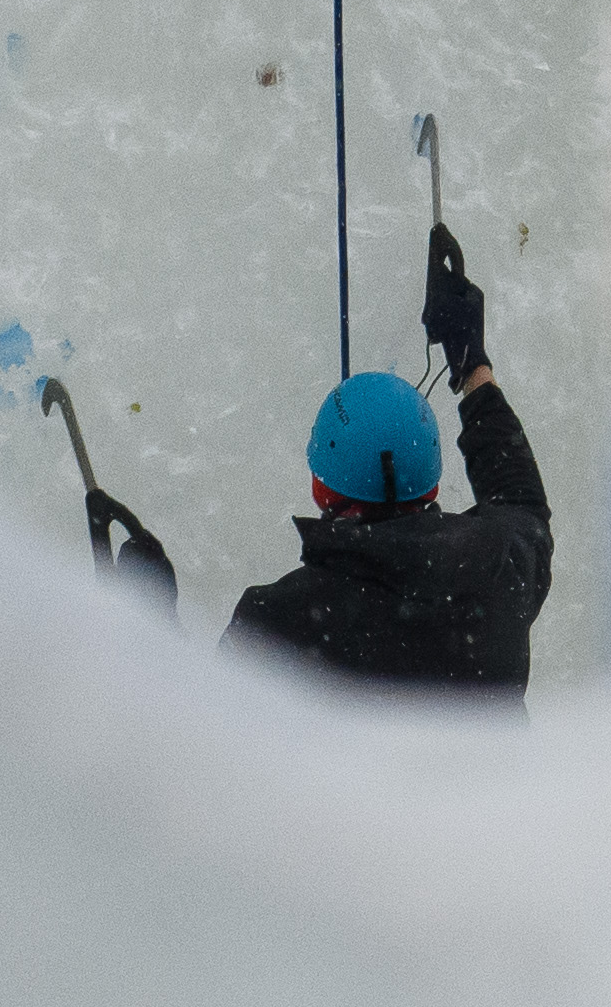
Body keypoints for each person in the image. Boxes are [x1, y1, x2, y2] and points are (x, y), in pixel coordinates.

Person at [225, 226, 550, 696]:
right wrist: (471, 365)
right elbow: (520, 499)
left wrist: (143, 616)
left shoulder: (277, 622)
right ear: (432, 485)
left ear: (321, 489)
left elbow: (204, 728)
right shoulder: (499, 571)